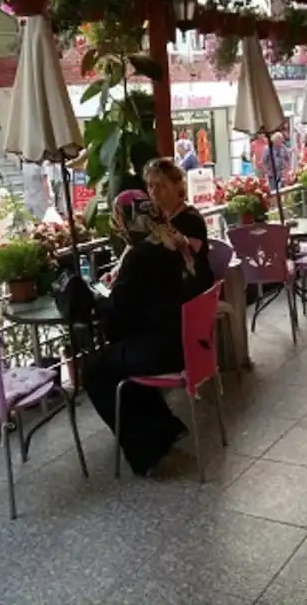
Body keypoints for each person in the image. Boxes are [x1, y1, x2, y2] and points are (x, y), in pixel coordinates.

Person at [84, 190, 195, 477]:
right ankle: (165, 427)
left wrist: (98, 301)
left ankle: (145, 450)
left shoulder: (139, 256)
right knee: (117, 362)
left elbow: (119, 311)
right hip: (185, 344)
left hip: (158, 351)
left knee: (95, 371)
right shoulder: (171, 244)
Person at [143, 157, 214, 298]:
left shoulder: (190, 219)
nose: (154, 192)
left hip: (192, 290)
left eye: (161, 186)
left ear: (178, 188)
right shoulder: (157, 218)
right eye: (150, 186)